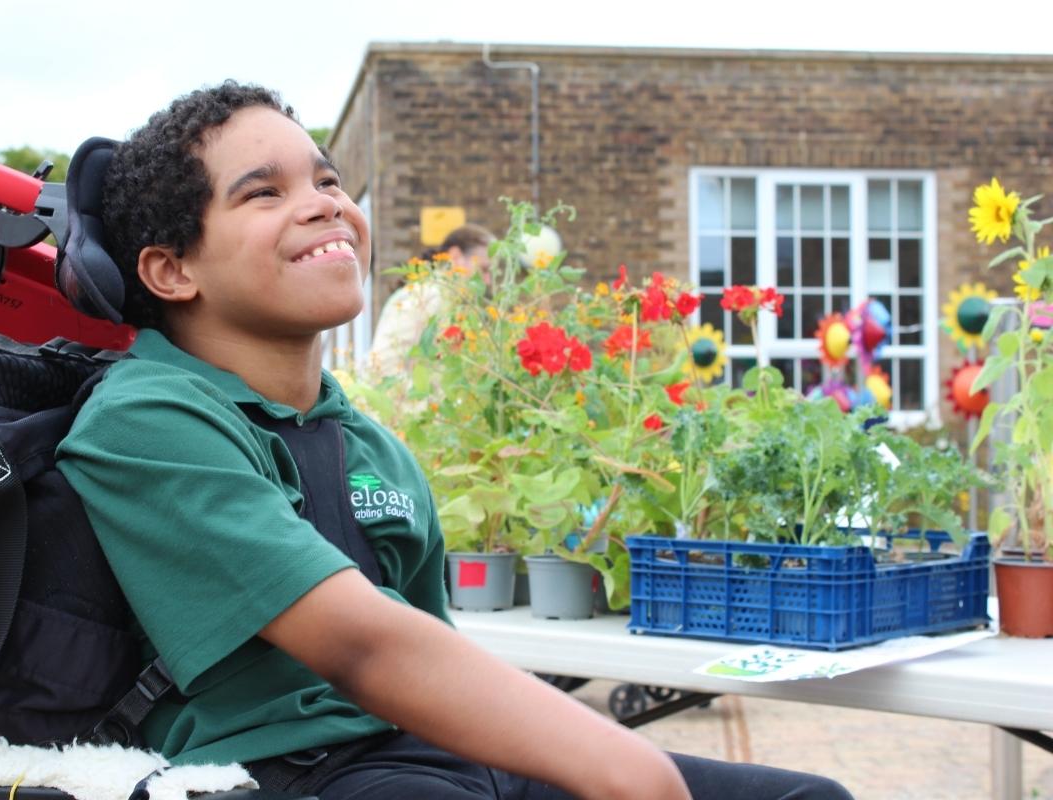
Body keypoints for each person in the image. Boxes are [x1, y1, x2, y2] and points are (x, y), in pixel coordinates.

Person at [55, 81, 853, 800]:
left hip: (424, 752)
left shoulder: (366, 443)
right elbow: (365, 648)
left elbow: (435, 655)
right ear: (171, 270)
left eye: (327, 180)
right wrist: (627, 766)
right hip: (282, 770)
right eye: (264, 193)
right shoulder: (146, 420)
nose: (325, 203)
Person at [368, 224, 494, 377]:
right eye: (484, 269)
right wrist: (426, 399)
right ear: (455, 256)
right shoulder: (426, 294)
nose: (488, 281)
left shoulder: (449, 300)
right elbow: (383, 365)